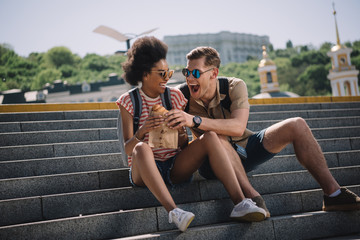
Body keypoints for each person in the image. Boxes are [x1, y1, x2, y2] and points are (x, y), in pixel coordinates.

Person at [167, 46, 360, 217]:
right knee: (216, 134)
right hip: (213, 161)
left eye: (196, 72)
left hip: (245, 147)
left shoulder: (234, 86)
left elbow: (238, 127)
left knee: (297, 123)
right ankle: (253, 197)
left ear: (213, 73)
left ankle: (333, 194)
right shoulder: (181, 94)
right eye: (187, 72)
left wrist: (195, 120)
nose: (190, 77)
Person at [116, 37, 267, 232]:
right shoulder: (128, 101)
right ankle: (174, 212)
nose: (167, 78)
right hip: (142, 172)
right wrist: (143, 130)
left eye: (169, 72)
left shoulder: (176, 97)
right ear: (144, 74)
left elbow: (183, 146)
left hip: (174, 167)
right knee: (141, 147)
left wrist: (180, 132)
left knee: (211, 136)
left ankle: (240, 203)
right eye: (162, 73)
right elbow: (128, 149)